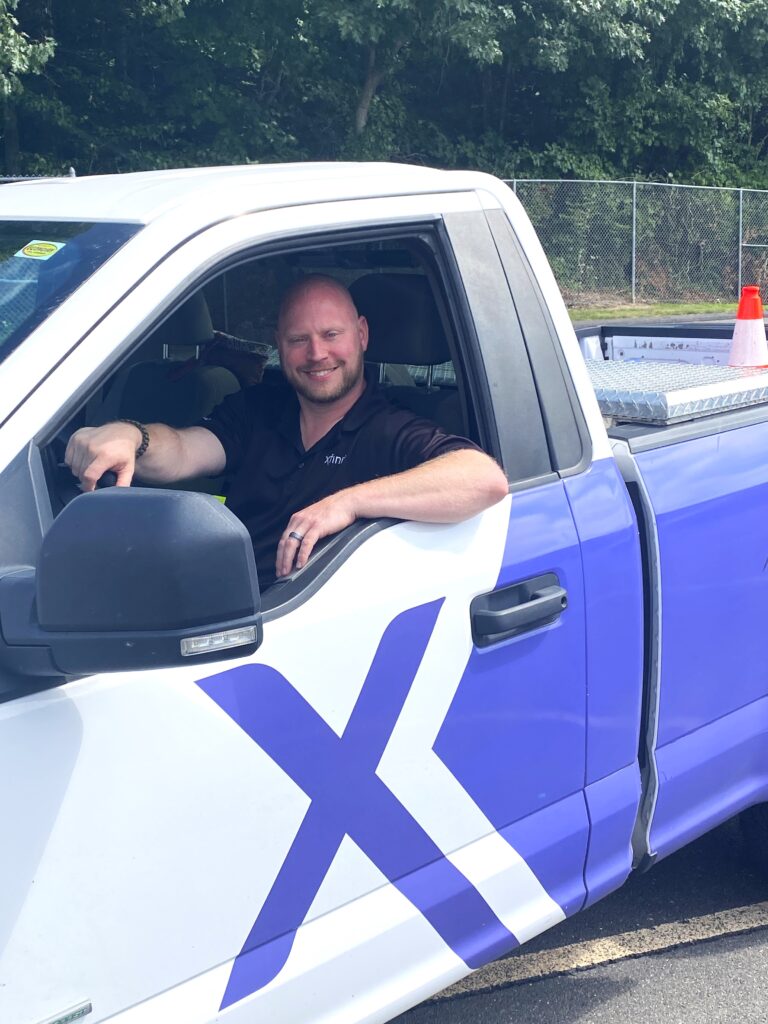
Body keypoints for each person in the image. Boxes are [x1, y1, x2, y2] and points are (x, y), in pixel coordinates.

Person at [66, 275, 509, 584]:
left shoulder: (390, 429)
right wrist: (130, 436)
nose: (317, 353)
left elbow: (483, 479)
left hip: (303, 631)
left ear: (362, 335)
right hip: (219, 611)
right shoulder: (258, 409)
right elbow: (183, 450)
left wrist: (348, 503)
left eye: (331, 334)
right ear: (279, 345)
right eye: (299, 340)